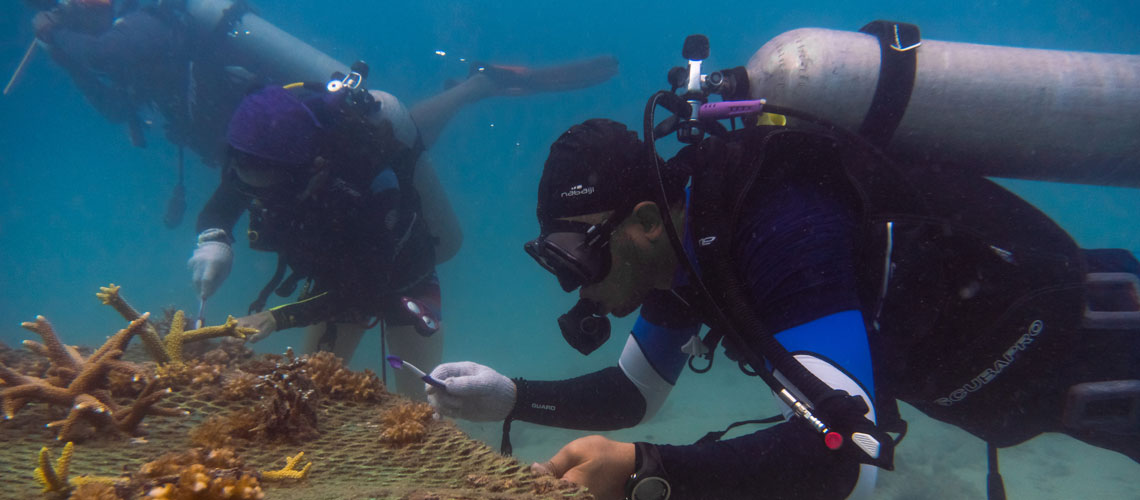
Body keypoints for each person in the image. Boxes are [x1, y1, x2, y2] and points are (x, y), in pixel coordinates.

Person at [424, 118, 1140, 499]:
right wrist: (510, 396)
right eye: (555, 260)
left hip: (1104, 347)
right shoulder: (683, 255)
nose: (573, 284)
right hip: (1043, 392)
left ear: (644, 221)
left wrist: (646, 471)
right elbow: (632, 394)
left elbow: (845, 457)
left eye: (579, 255)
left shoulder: (784, 226)